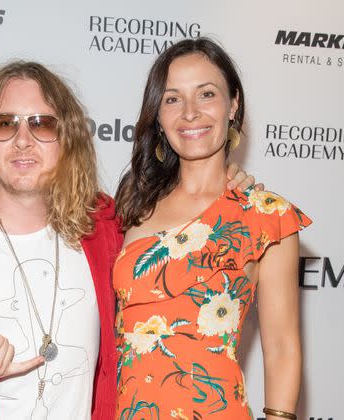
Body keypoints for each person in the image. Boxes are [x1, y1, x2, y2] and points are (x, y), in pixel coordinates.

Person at [0, 61, 257, 420]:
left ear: (67, 138)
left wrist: (223, 183)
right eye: (5, 123)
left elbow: (180, 217)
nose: (23, 140)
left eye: (42, 124)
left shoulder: (107, 223)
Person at [114, 38, 311, 420]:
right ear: (157, 113)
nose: (190, 113)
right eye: (172, 99)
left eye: (206, 94)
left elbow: (283, 346)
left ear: (233, 104)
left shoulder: (266, 216)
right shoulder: (133, 206)